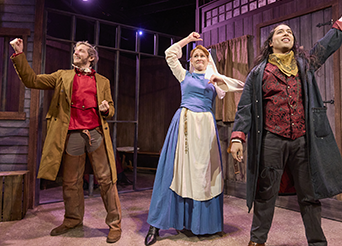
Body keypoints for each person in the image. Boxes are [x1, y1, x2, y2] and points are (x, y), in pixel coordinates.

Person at [229, 0, 342, 246]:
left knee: (309, 195)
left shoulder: (304, 65)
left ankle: (317, 242)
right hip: (271, 140)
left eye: (289, 32)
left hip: (302, 140)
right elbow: (245, 108)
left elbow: (328, 43)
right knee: (266, 194)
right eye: (280, 32)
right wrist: (237, 138)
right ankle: (257, 241)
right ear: (271, 42)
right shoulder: (258, 72)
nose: (286, 34)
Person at [10, 39, 122, 243]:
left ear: (91, 57)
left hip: (96, 134)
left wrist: (107, 109)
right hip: (72, 135)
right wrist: (19, 54)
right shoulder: (62, 75)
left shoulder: (103, 81)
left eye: (81, 51)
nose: (76, 53)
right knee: (71, 182)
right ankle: (72, 219)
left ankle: (114, 224)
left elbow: (111, 108)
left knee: (106, 181)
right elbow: (32, 80)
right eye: (75, 50)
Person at [144, 32, 244, 245]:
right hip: (184, 125)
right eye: (196, 56)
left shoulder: (214, 80)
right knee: (173, 172)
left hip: (206, 129)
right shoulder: (184, 76)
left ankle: (202, 224)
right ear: (191, 61)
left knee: (203, 175)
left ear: (209, 61)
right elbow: (170, 54)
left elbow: (240, 86)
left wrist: (220, 79)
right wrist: (188, 40)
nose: (199, 59)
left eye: (203, 56)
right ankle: (157, 224)